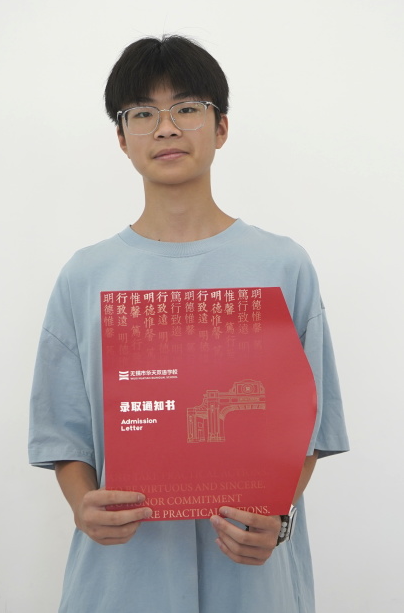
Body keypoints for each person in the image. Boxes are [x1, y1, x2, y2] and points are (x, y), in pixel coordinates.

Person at [29, 35, 349, 613]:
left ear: (221, 128)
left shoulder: (283, 266)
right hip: (125, 576)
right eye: (143, 113)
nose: (166, 128)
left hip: (249, 573)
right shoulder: (85, 276)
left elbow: (312, 423)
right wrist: (82, 504)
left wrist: (277, 516)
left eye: (187, 108)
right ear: (122, 138)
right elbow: (63, 433)